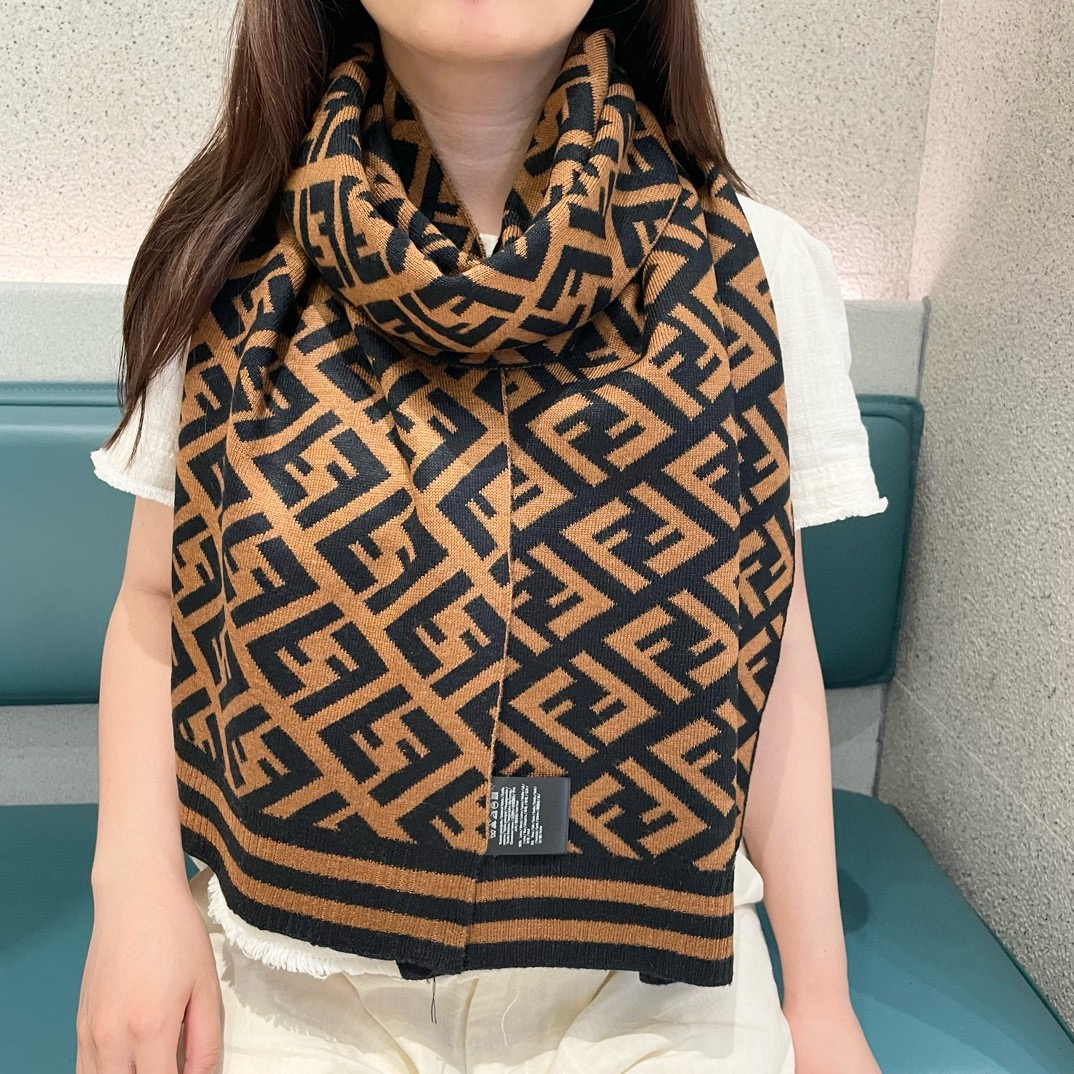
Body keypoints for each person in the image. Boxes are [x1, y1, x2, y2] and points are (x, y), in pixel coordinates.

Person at [76, 1, 888, 1071]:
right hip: (292, 969)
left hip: (649, 985)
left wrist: (820, 999)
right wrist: (132, 894)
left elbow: (768, 644)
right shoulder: (224, 255)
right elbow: (155, 602)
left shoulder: (758, 271)